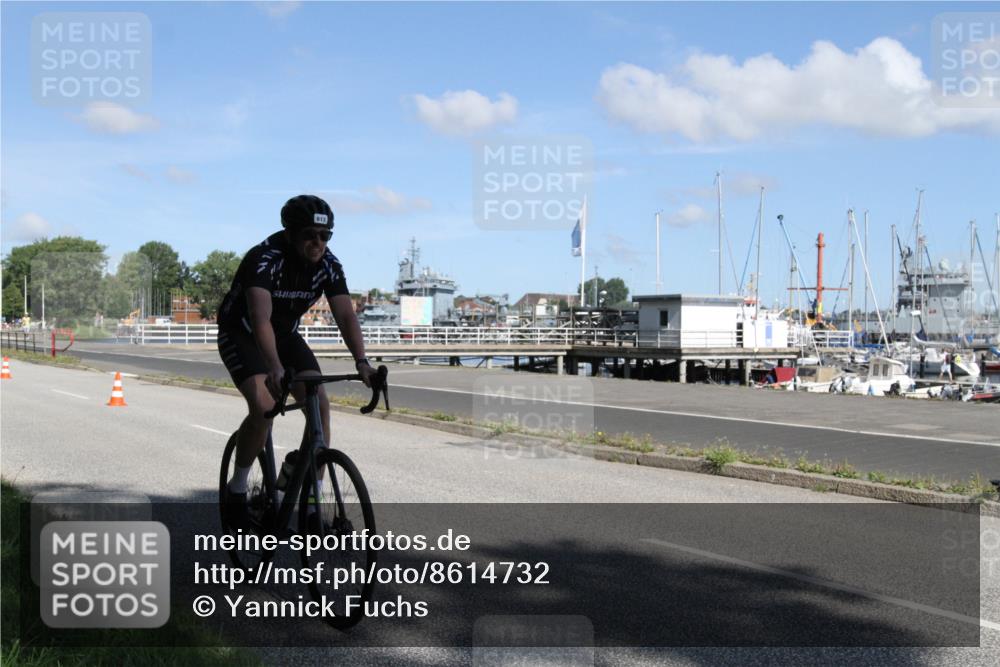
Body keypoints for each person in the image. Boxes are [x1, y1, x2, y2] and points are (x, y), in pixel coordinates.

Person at [217, 194, 377, 526]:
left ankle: (310, 501)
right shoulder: (264, 259)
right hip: (243, 332)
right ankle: (237, 488)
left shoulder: (329, 265)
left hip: (285, 334)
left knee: (319, 406)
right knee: (264, 406)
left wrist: (362, 362)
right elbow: (260, 319)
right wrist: (274, 368)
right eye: (309, 235)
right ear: (290, 234)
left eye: (325, 235)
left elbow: (346, 315)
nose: (317, 243)